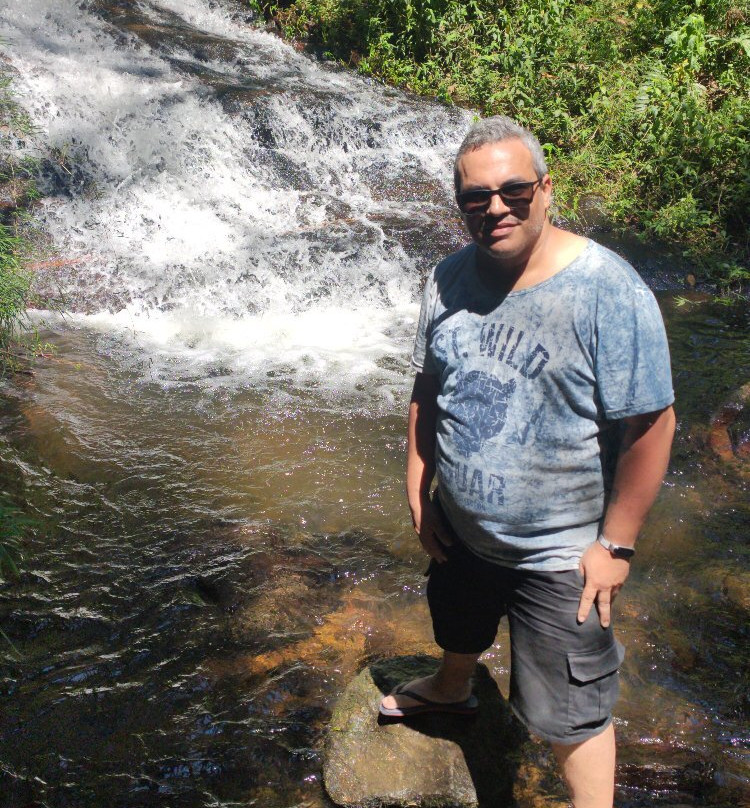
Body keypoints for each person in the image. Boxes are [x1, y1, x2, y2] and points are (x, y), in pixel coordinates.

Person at [380, 116, 676, 808]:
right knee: (456, 624)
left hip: (560, 555)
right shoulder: (448, 279)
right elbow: (428, 388)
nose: (495, 208)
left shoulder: (608, 289)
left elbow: (653, 425)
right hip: (463, 527)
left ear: (546, 189)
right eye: (475, 198)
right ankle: (453, 691)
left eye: (512, 190)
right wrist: (420, 491)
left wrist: (617, 544)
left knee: (573, 715)